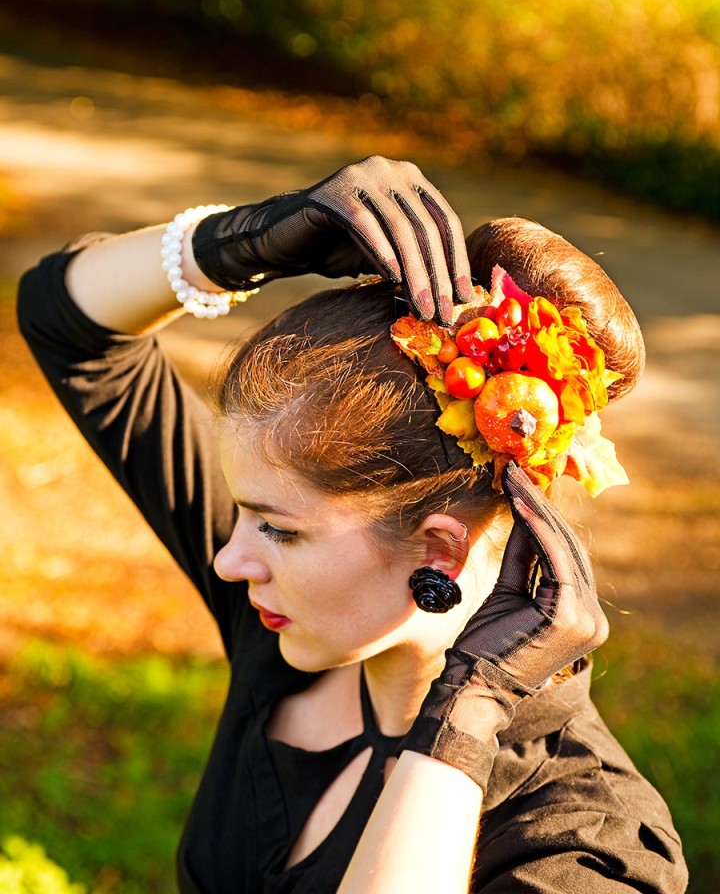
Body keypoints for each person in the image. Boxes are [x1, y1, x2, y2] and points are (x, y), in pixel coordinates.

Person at [17, 156, 687, 893]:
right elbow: (67, 321)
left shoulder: (587, 842)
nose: (228, 561)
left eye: (278, 529)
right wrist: (241, 242)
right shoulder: (292, 625)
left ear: (438, 548)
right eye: (243, 512)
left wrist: (466, 716)